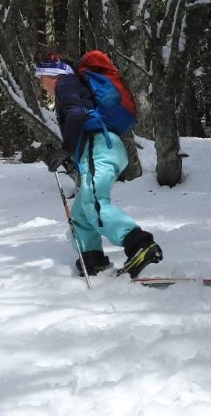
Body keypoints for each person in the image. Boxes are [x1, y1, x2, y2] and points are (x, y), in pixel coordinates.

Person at [35, 53, 163, 277]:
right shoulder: (74, 84)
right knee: (81, 212)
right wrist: (66, 153)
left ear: (52, 74)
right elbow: (79, 116)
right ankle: (92, 259)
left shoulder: (65, 82)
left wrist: (65, 149)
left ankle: (139, 244)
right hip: (101, 147)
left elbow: (76, 114)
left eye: (41, 77)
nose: (41, 84)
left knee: (93, 201)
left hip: (98, 146)